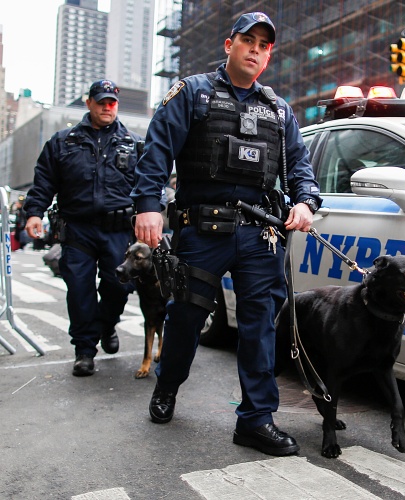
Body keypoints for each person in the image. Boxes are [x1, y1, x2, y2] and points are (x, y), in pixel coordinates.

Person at [132, 12, 321, 456]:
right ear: (228, 44)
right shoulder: (193, 93)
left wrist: (305, 203)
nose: (255, 49)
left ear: (269, 54)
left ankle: (255, 420)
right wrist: (148, 206)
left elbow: (300, 166)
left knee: (259, 327)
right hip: (202, 229)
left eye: (264, 45)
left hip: (260, 236)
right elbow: (158, 149)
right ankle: (168, 385)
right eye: (248, 40)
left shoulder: (278, 109)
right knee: (186, 319)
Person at [24, 79, 143, 377]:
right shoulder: (63, 142)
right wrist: (34, 213)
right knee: (79, 290)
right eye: (101, 101)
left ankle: (106, 326)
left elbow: (149, 184)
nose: (106, 107)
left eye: (112, 103)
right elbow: (44, 181)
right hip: (77, 229)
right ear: (88, 103)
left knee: (119, 285)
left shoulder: (134, 143)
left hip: (118, 230)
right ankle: (85, 351)